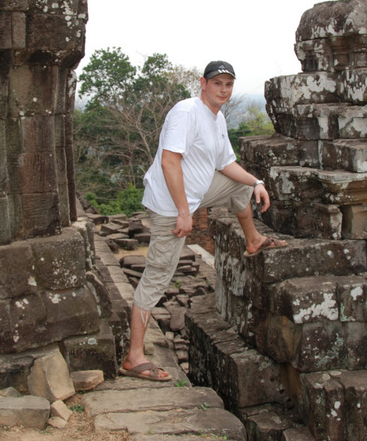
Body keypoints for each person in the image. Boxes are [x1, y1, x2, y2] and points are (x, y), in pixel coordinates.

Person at [119, 60, 287, 382]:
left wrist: (257, 182)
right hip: (171, 203)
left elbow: (226, 164)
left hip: (196, 192)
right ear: (203, 83)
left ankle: (252, 240)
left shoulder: (217, 117)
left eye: (228, 84)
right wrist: (184, 212)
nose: (223, 90)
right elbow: (170, 163)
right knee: (158, 275)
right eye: (217, 84)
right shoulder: (186, 112)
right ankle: (134, 356)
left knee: (240, 185)